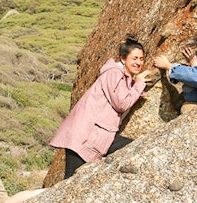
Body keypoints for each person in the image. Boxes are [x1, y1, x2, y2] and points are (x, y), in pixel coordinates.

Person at [50, 37, 155, 179]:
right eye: (135, 58)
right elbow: (121, 103)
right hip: (85, 136)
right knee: (66, 185)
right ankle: (18, 201)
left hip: (97, 136)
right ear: (123, 59)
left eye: (141, 59)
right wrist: (139, 84)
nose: (139, 62)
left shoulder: (122, 77)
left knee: (133, 148)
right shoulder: (113, 73)